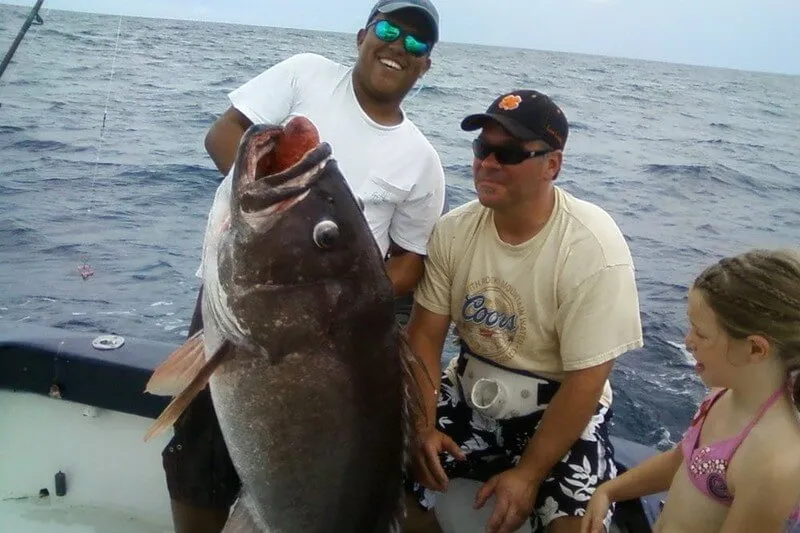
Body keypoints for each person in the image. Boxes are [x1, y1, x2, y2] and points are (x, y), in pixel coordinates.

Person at [160, 1, 446, 532]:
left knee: (334, 472)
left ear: (426, 64)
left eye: (415, 44)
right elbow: (223, 135)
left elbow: (411, 262)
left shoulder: (422, 160)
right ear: (362, 35)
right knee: (199, 452)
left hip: (343, 344)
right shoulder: (304, 74)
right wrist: (263, 205)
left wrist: (348, 287)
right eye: (388, 30)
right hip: (253, 303)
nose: (398, 47)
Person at [402, 89, 644, 533]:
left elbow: (587, 381)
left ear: (552, 165)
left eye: (509, 153)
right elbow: (423, 336)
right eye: (482, 148)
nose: (488, 163)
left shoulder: (593, 247)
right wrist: (422, 426)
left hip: (558, 405)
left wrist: (528, 474)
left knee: (573, 525)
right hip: (467, 388)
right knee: (395, 482)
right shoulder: (453, 231)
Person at [582, 249, 800, 533]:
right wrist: (608, 492)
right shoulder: (722, 394)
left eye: (701, 334)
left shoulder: (773, 463)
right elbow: (681, 460)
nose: (688, 342)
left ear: (755, 348)